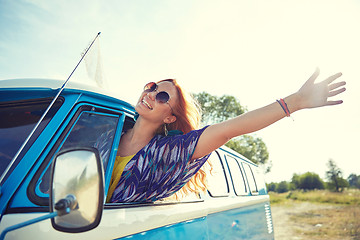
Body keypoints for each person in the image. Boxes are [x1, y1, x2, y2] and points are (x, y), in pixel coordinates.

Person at [106, 68, 346, 203]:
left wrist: (296, 101)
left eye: (162, 97)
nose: (151, 94)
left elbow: (229, 129)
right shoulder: (104, 131)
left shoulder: (170, 151)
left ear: (170, 118)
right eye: (151, 87)